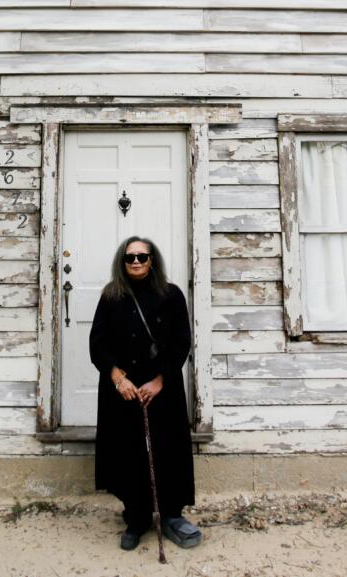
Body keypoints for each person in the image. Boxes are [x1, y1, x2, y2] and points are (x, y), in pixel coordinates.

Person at [89, 236, 202, 551]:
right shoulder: (111, 297)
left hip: (161, 386)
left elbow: (181, 342)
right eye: (130, 258)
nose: (136, 262)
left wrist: (159, 380)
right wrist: (117, 379)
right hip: (123, 389)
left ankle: (171, 516)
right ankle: (136, 517)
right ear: (122, 263)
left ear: (153, 260)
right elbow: (98, 344)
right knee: (127, 451)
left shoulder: (172, 295)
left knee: (169, 448)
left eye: (142, 256)